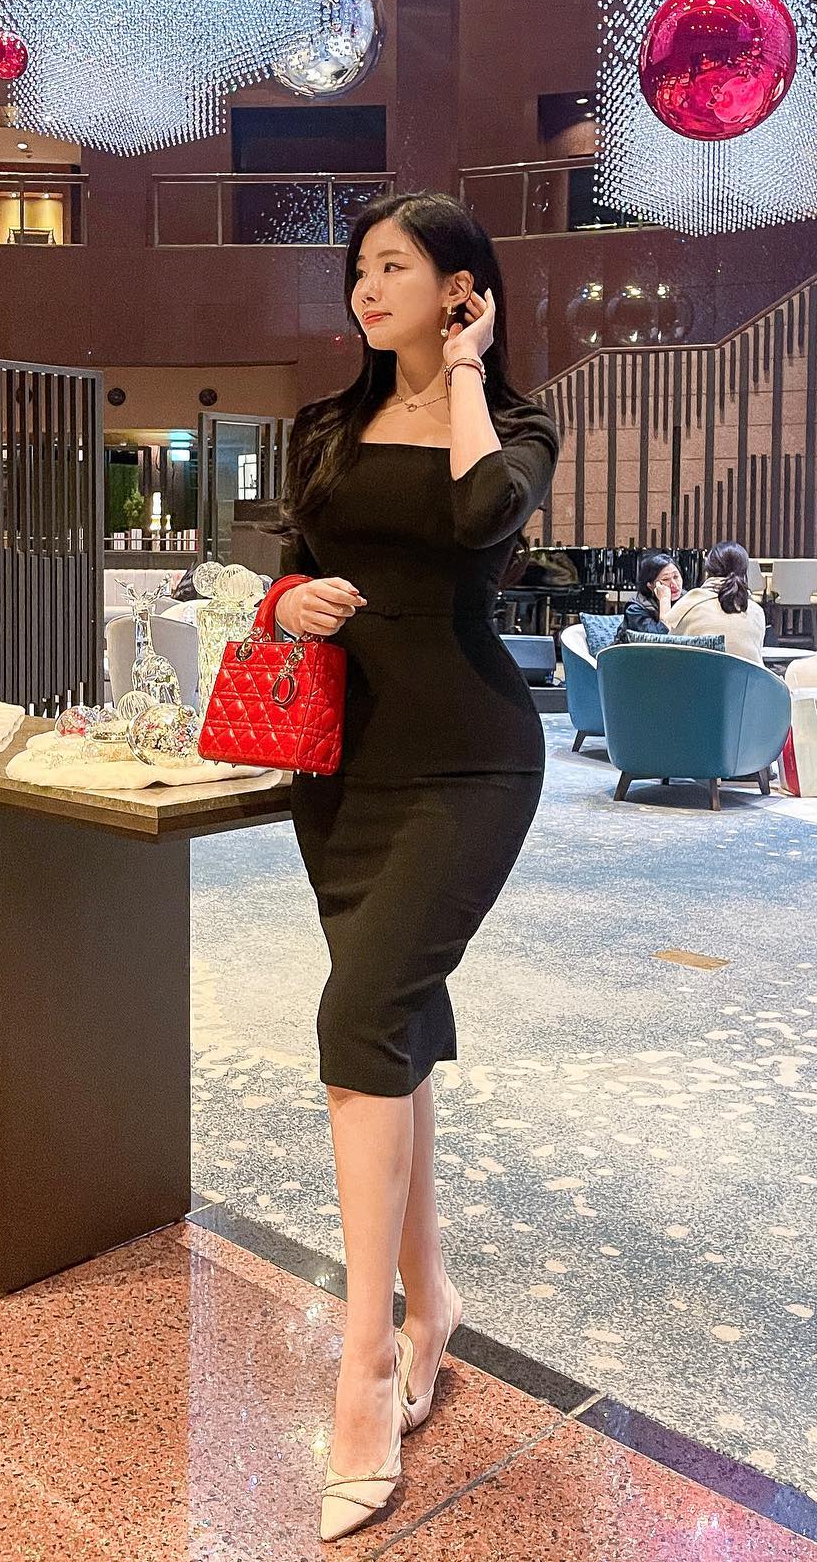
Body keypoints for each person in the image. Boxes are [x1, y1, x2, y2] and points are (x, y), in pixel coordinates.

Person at [272, 191, 559, 1541]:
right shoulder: (323, 426)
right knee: (393, 1027)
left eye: (395, 266)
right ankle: (431, 1298)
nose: (365, 286)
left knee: (358, 1014)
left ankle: (366, 1362)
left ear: (460, 287)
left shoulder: (512, 422)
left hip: (468, 762)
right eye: (359, 268)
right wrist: (291, 598)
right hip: (341, 769)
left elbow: (487, 516)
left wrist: (465, 373)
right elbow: (289, 563)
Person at [667, 541, 767, 664]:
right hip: (747, 676)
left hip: (699, 675)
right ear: (745, 570)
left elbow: (668, 649)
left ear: (708, 569)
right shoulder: (756, 611)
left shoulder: (690, 603)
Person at [617, 550, 683, 637]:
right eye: (665, 579)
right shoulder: (635, 609)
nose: (674, 584)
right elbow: (659, 639)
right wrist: (664, 600)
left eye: (676, 577)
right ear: (650, 586)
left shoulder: (688, 599)